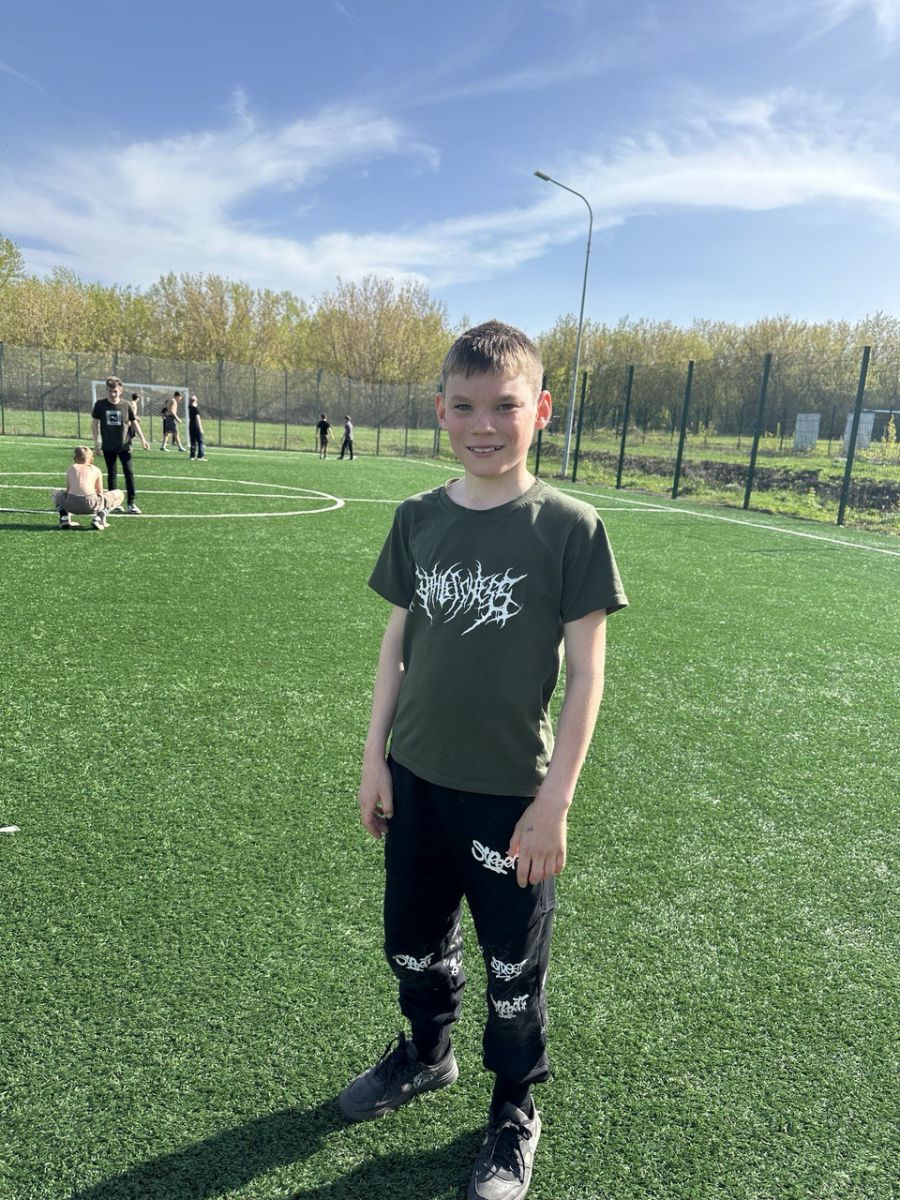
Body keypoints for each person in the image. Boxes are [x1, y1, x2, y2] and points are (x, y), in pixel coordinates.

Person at [338, 321, 628, 1200]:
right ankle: (428, 1054)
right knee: (409, 944)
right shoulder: (417, 518)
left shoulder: (570, 528)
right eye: (464, 406)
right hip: (417, 781)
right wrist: (375, 760)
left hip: (510, 799)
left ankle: (512, 1108)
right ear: (440, 412)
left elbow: (587, 676)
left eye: (505, 406)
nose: (484, 425)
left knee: (512, 968)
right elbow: (395, 648)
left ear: (541, 410)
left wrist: (554, 803)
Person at [91, 376, 150, 514]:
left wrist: (143, 439)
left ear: (121, 390)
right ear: (106, 390)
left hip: (124, 445)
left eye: (115, 391)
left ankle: (131, 503)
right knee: (112, 474)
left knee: (129, 473)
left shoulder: (126, 405)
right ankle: (114, 504)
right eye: (110, 391)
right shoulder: (100, 405)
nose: (113, 394)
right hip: (108, 446)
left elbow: (134, 422)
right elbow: (94, 424)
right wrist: (96, 443)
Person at [51, 445, 124, 530]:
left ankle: (64, 518)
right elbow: (100, 493)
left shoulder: (72, 468)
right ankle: (99, 518)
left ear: (75, 458)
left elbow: (68, 491)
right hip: (91, 504)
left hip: (71, 504)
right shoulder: (96, 469)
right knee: (120, 494)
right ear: (91, 458)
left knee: (54, 492)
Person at [188, 394, 206, 460]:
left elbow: (191, 404)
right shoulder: (196, 409)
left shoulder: (189, 407)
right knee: (200, 442)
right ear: (195, 401)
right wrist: (201, 428)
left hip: (191, 426)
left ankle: (192, 456)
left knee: (192, 441)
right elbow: (198, 418)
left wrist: (193, 400)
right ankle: (200, 456)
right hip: (196, 426)